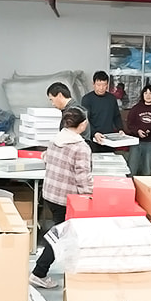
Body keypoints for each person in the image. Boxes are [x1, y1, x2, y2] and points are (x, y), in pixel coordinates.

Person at [30, 106, 93, 289]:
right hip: (66, 198)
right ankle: (39, 273)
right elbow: (82, 176)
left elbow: (46, 158)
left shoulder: (55, 140)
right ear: (82, 125)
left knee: (62, 232)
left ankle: (68, 266)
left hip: (50, 194)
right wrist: (88, 196)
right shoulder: (80, 147)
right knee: (60, 235)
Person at [126, 84, 151, 176]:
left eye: (150, 93)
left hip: (150, 143)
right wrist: (137, 131)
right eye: (146, 93)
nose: (148, 96)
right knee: (132, 169)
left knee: (147, 170)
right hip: (136, 142)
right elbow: (129, 123)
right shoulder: (136, 108)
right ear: (142, 95)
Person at [81, 70, 124, 152]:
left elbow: (116, 116)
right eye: (98, 85)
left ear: (107, 85)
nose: (101, 88)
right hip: (93, 139)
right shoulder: (87, 99)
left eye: (104, 85)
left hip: (109, 139)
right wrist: (94, 133)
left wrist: (120, 129)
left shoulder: (111, 98)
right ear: (93, 84)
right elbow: (85, 119)